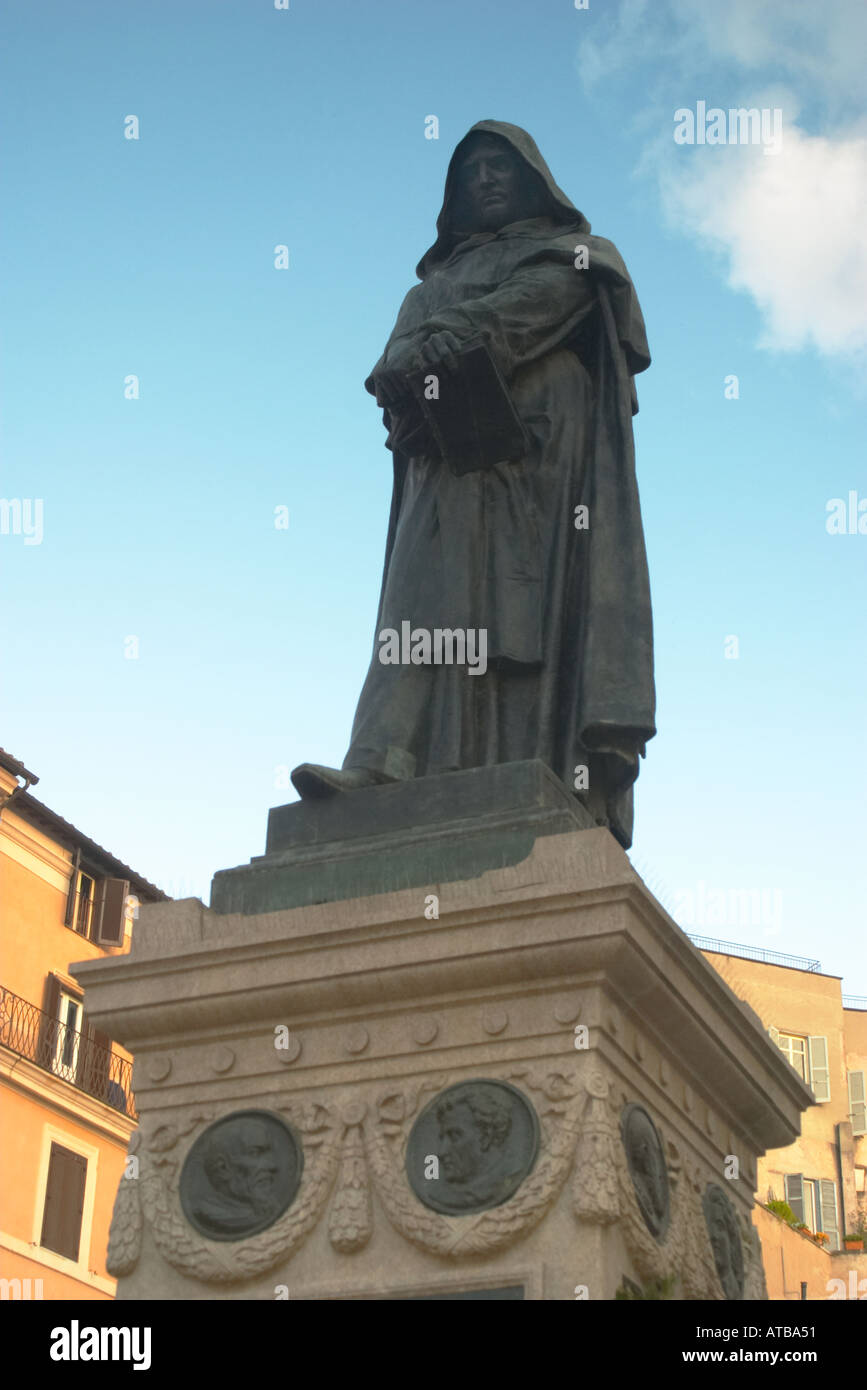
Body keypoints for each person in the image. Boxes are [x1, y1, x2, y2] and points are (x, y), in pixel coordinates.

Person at [292, 120, 654, 848]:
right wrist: (420, 363)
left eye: (499, 166)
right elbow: (393, 365)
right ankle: (382, 762)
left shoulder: (576, 255)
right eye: (470, 172)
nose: (485, 179)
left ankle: (541, 774)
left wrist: (443, 334)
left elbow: (526, 313)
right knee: (422, 601)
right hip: (447, 462)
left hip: (548, 463)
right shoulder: (425, 287)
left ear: (533, 180)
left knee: (537, 616)